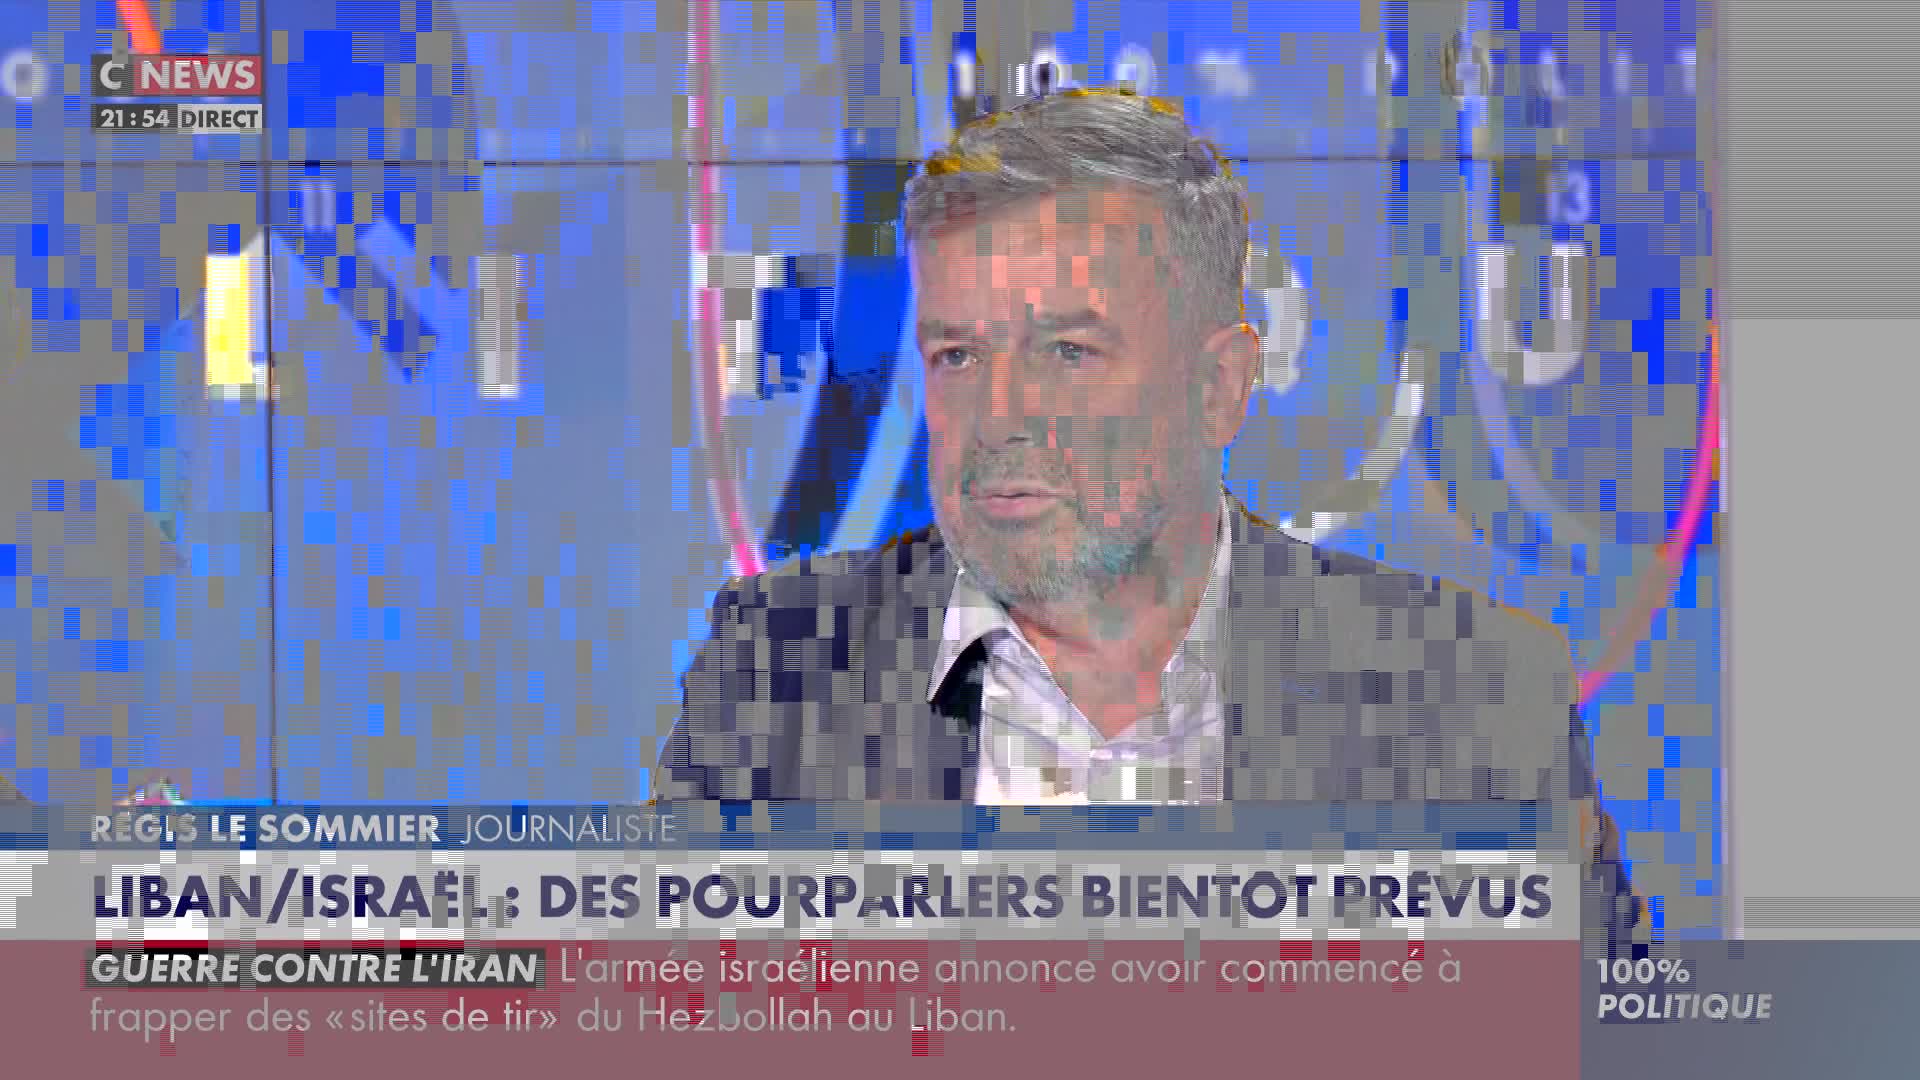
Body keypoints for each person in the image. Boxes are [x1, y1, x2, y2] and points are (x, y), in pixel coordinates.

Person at [657, 87, 1640, 943]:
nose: (999, 416)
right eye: (959, 356)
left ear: (1219, 387)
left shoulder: (1466, 699)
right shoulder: (780, 673)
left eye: (1067, 353)